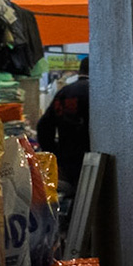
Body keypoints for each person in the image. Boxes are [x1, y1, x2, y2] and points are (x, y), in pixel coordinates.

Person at [37, 57, 90, 191]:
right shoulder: (96, 92)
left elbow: (43, 126)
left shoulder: (63, 93)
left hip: (67, 158)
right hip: (92, 160)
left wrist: (55, 154)